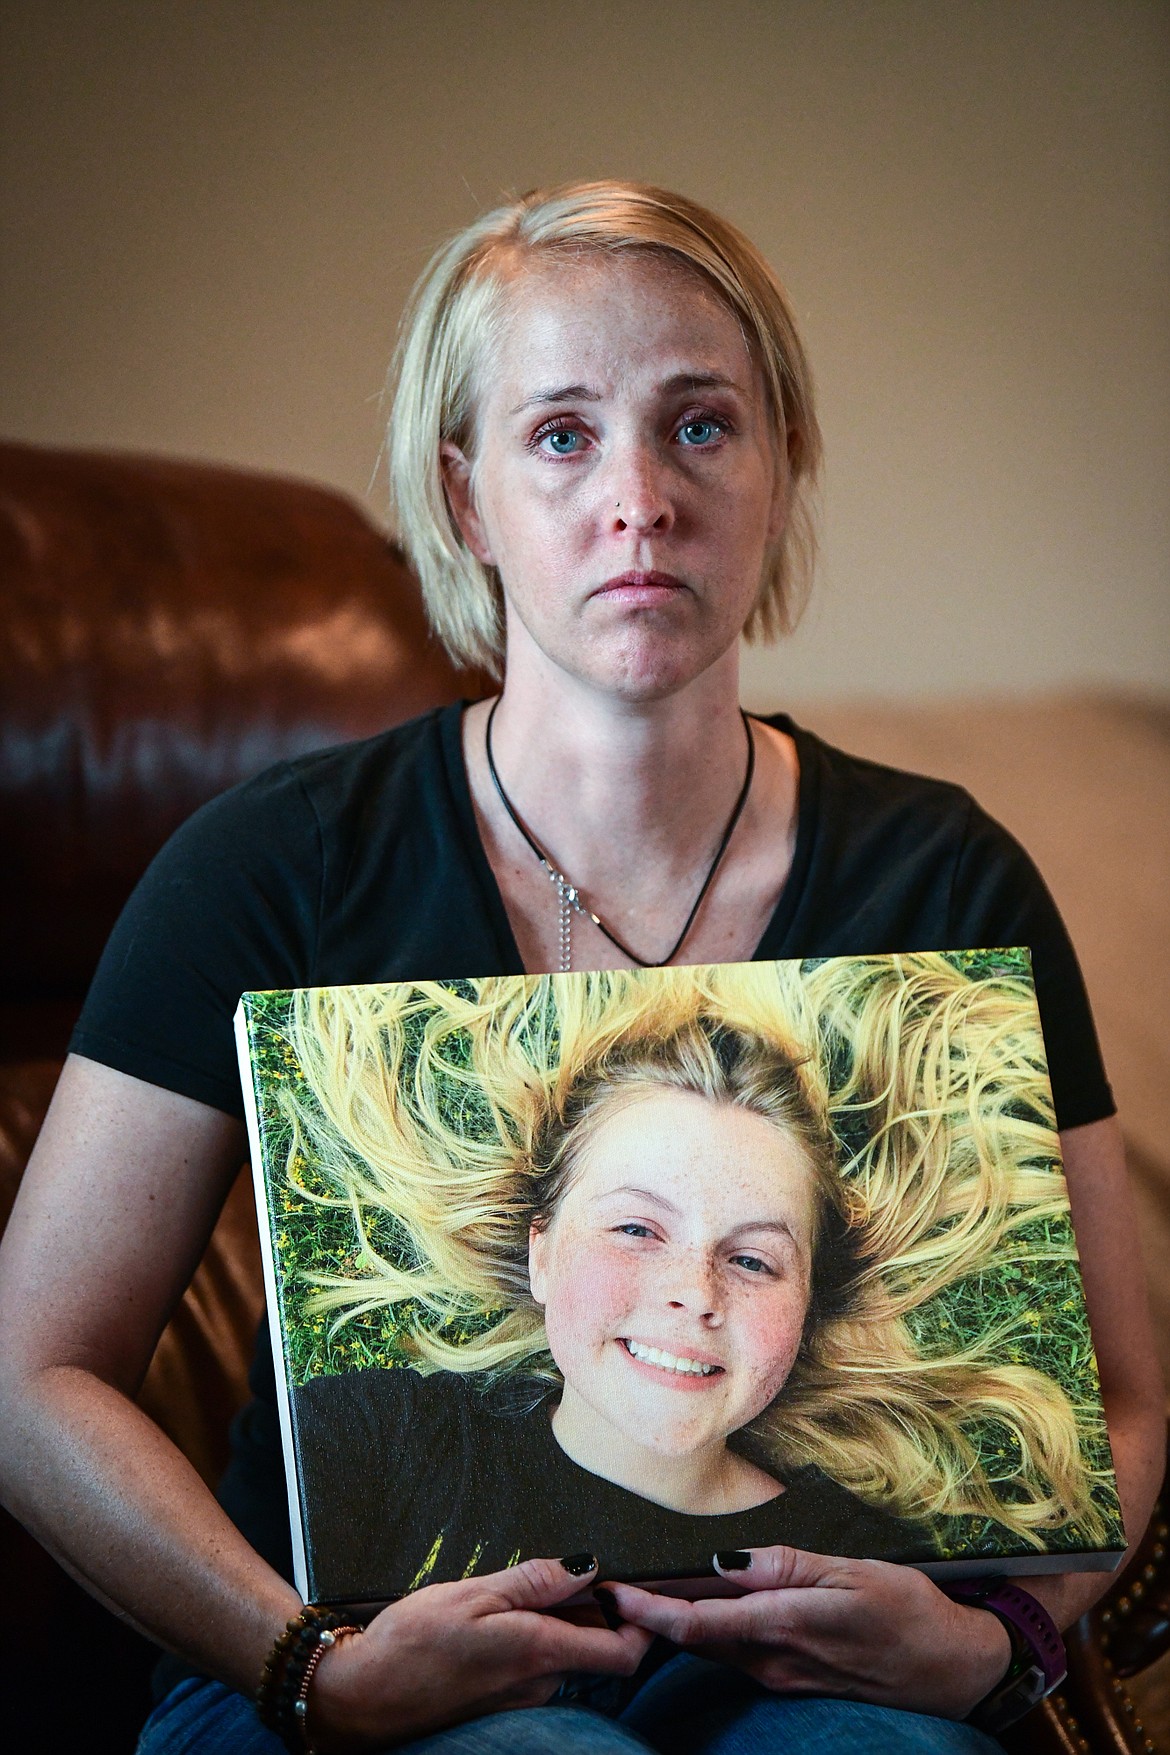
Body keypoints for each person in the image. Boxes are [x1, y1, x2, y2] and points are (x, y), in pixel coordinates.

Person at [0, 179, 1161, 1755]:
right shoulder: (267, 865)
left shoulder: (949, 879)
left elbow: (1123, 1394)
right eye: (561, 435)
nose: (639, 496)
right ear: (465, 497)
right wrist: (299, 1661)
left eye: (699, 425)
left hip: (817, 1689)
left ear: (780, 461)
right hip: (341, 1676)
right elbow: (31, 1373)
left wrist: (998, 1637)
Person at [278, 959, 1114, 1605]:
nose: (696, 1292)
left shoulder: (865, 1564)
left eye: (752, 1260)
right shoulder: (376, 1439)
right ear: (541, 1253)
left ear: (809, 1306)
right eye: (638, 1229)